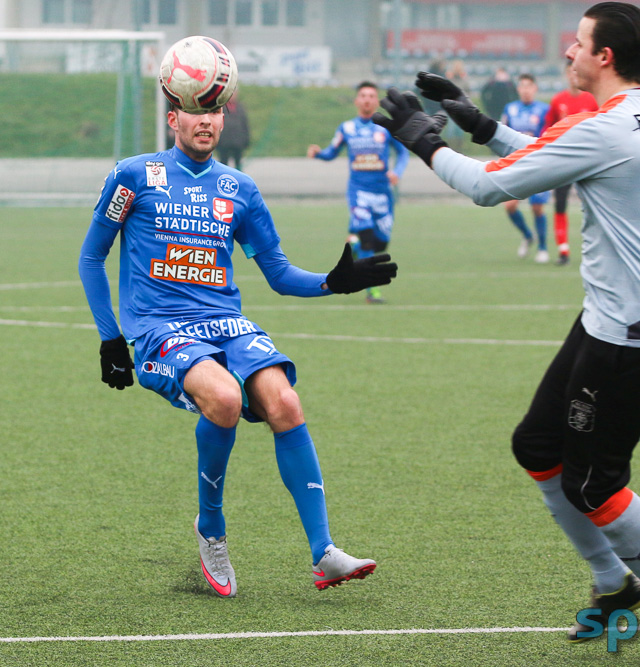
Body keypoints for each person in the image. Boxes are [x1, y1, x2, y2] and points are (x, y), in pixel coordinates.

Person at [373, 2, 640, 660]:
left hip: (632, 340)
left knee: (594, 482)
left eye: (579, 42)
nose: (569, 51)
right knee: (538, 445)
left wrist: (424, 138)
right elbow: (556, 155)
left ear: (605, 58)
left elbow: (485, 189)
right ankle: (614, 582)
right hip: (609, 323)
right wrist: (477, 122)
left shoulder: (611, 129)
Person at [79, 70, 396, 598]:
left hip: (227, 323)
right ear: (172, 118)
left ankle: (325, 553)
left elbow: (278, 273)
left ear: (224, 118)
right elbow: (92, 256)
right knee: (224, 400)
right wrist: (112, 339)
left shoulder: (239, 189)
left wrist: (332, 283)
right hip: (161, 328)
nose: (205, 121)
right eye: (193, 111)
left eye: (215, 111)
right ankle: (211, 529)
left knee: (285, 404)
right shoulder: (133, 176)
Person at [307, 81, 409, 303]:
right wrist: (318, 154)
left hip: (383, 194)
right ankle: (371, 290)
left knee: (381, 242)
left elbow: (403, 154)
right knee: (368, 239)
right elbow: (332, 152)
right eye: (363, 95)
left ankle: (353, 248)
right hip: (358, 192)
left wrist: (397, 172)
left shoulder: (386, 127)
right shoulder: (347, 128)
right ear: (357, 100)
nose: (367, 99)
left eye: (371, 96)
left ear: (376, 101)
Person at [544, 61, 598, 266]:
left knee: (594, 205)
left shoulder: (591, 101)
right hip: (563, 163)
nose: (574, 75)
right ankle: (563, 250)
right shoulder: (558, 101)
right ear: (567, 74)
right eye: (570, 71)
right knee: (560, 205)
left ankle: (596, 248)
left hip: (587, 163)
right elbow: (548, 131)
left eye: (577, 70)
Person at [500, 73, 551, 263]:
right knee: (510, 206)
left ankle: (543, 247)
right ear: (518, 89)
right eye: (522, 86)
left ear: (535, 88)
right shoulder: (510, 109)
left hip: (538, 164)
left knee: (537, 207)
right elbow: (502, 134)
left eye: (529, 85)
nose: (526, 89)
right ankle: (528, 236)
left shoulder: (544, 110)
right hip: (516, 164)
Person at [217, 90, 250, 169]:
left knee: (238, 162)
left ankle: (238, 178)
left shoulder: (240, 108)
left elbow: (245, 124)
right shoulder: (221, 107)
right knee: (223, 163)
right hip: (224, 141)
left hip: (237, 141)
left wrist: (246, 139)